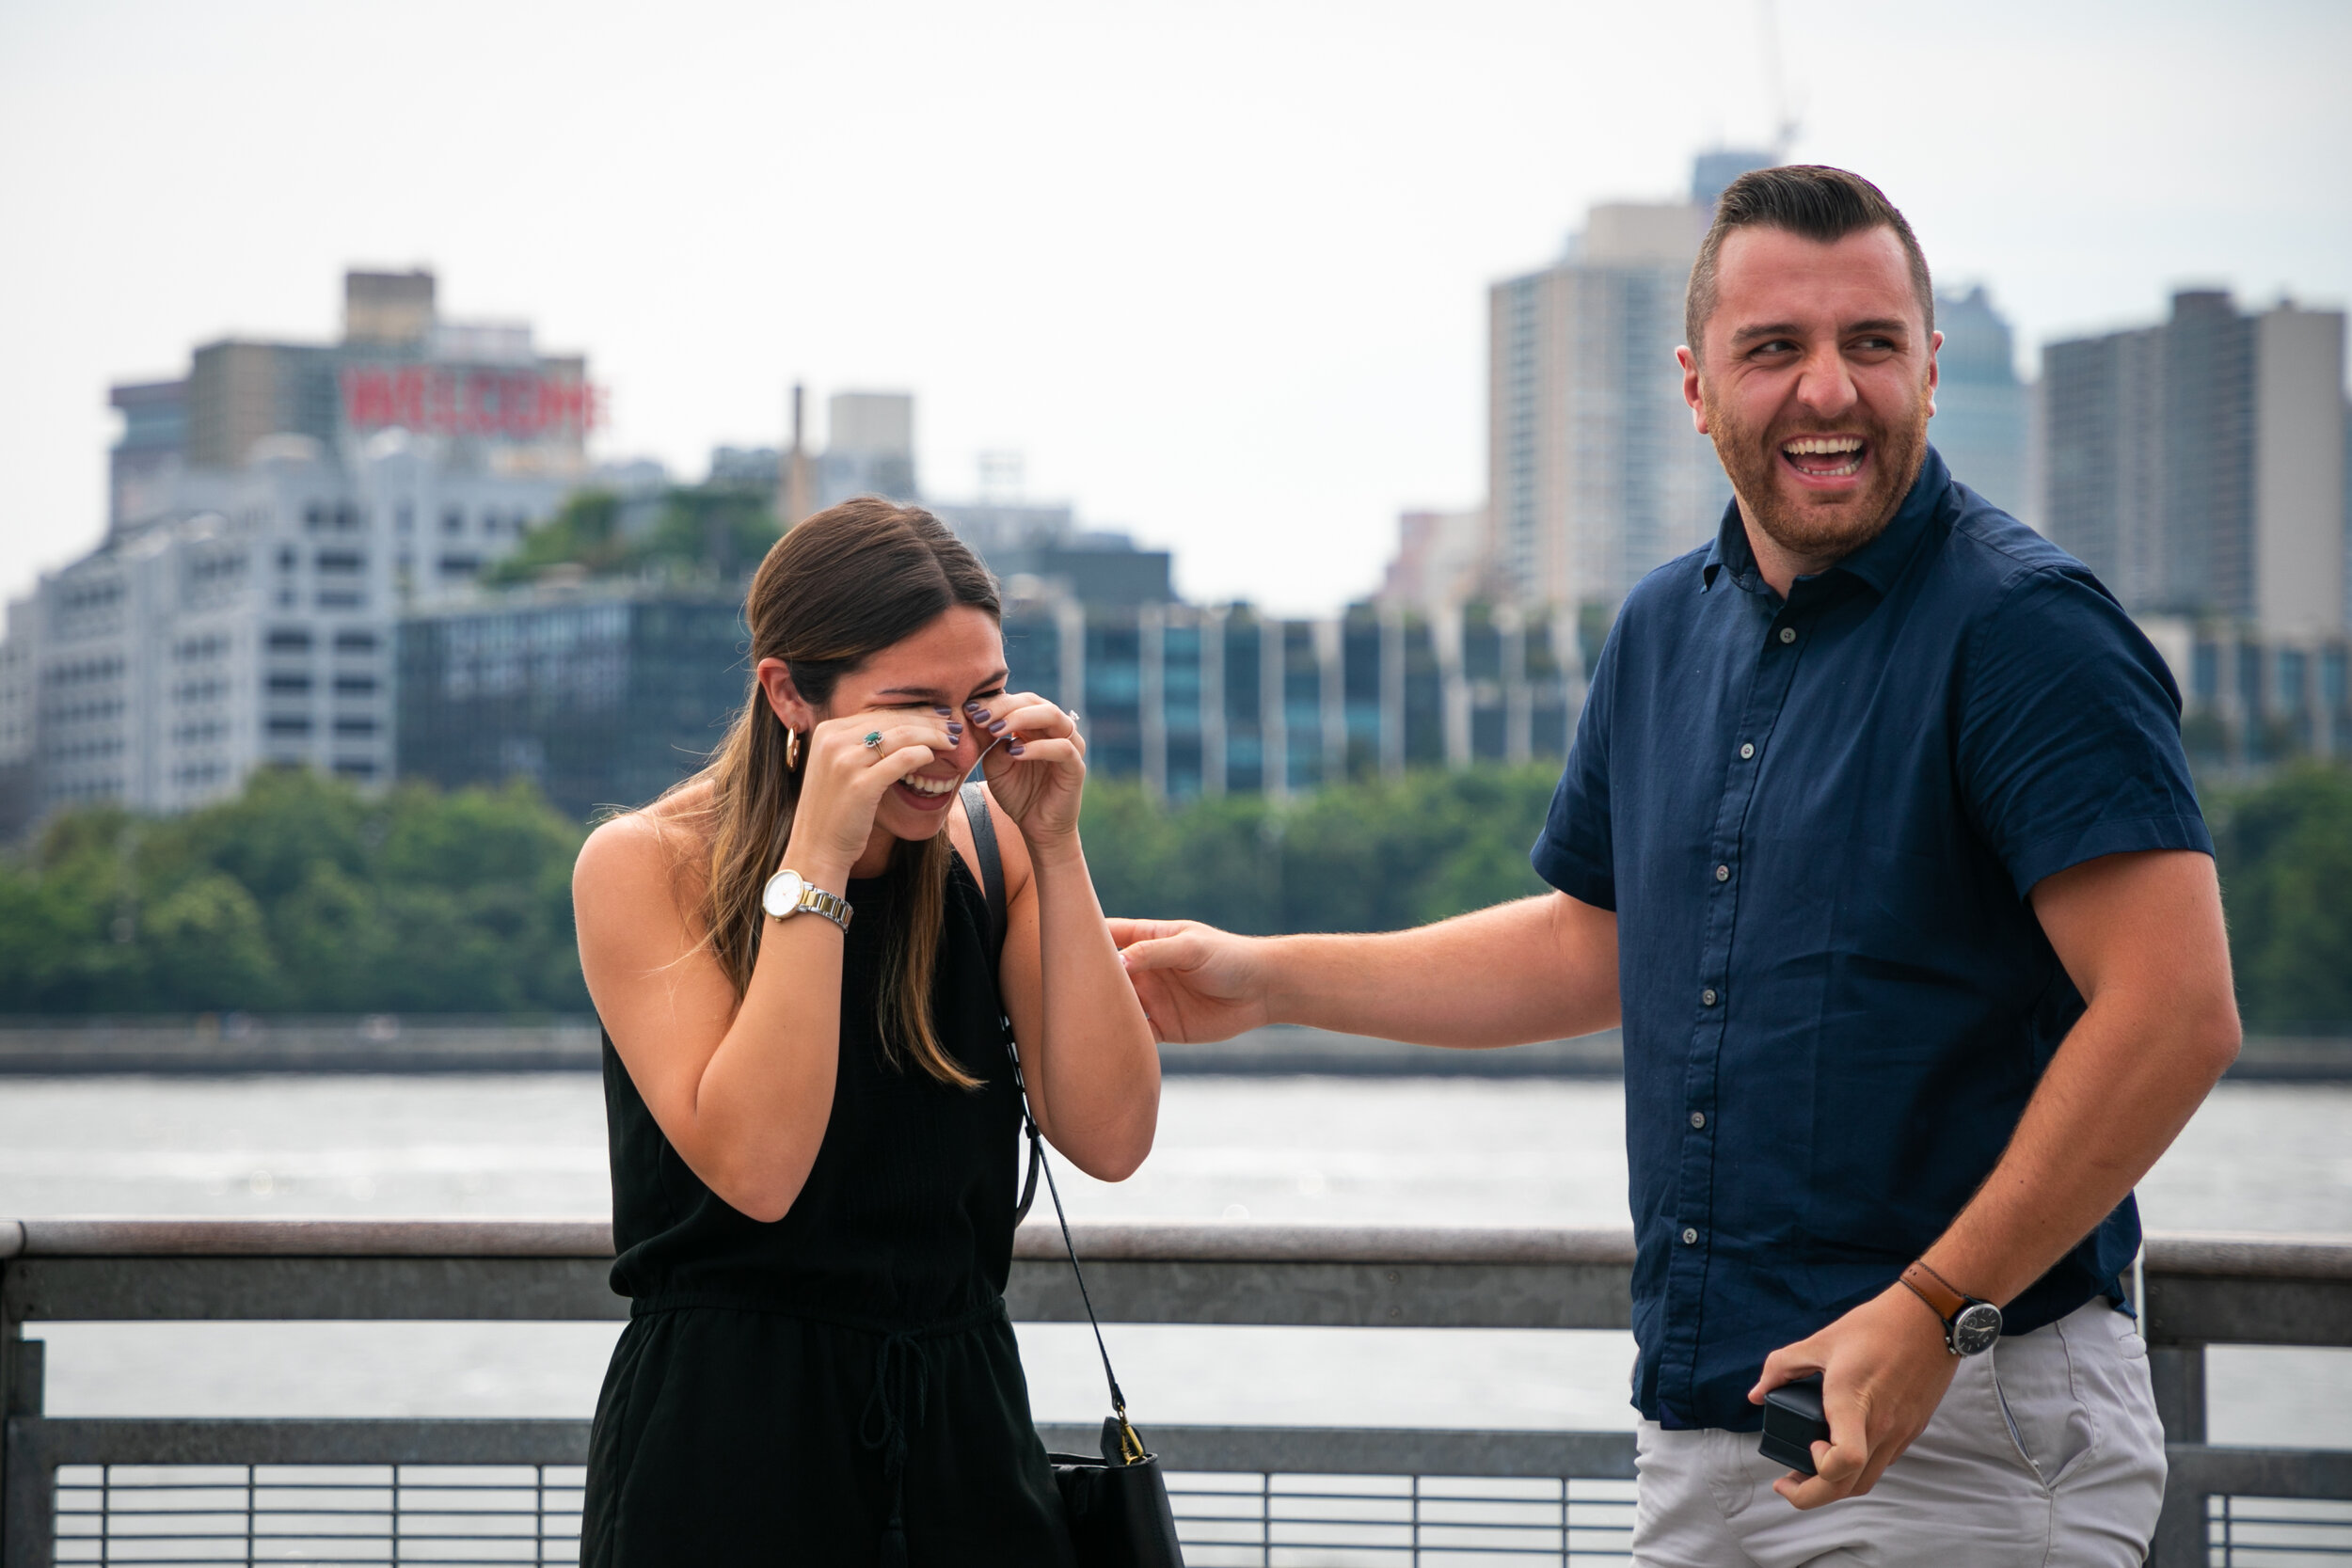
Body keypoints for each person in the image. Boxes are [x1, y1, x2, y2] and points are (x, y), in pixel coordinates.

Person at [1112, 166, 2239, 1565]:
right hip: (1708, 1431)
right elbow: (1600, 940)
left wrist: (1933, 1303)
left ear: (1932, 371)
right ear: (1698, 387)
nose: (1829, 389)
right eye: (1775, 348)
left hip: (1959, 1423)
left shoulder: (2028, 631)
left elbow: (2173, 1009)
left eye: (1871, 344)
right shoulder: (1663, 624)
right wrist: (1262, 977)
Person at [571, 499, 1159, 1566]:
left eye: (981, 700)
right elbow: (757, 1167)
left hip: (966, 1428)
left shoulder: (995, 851)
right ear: (790, 691)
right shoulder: (647, 863)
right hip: (727, 1436)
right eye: (908, 708)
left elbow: (1111, 1135)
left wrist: (1058, 846)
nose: (950, 744)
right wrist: (820, 859)